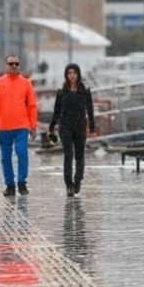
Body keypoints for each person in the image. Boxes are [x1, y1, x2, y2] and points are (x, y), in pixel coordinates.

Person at [0, 54, 38, 196]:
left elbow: (32, 105)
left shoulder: (26, 83)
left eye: (17, 64)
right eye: (11, 64)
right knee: (5, 156)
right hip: (4, 126)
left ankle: (22, 182)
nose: (14, 66)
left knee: (22, 153)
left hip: (22, 125)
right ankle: (9, 184)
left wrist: (33, 125)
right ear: (6, 66)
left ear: (20, 66)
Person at [48, 63, 96, 197]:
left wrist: (92, 128)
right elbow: (56, 112)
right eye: (69, 73)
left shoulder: (85, 91)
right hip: (65, 127)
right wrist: (51, 127)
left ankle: (78, 179)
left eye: (74, 73)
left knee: (80, 155)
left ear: (78, 74)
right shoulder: (61, 92)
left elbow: (90, 110)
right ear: (66, 75)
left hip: (80, 126)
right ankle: (69, 185)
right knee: (68, 155)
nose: (72, 75)